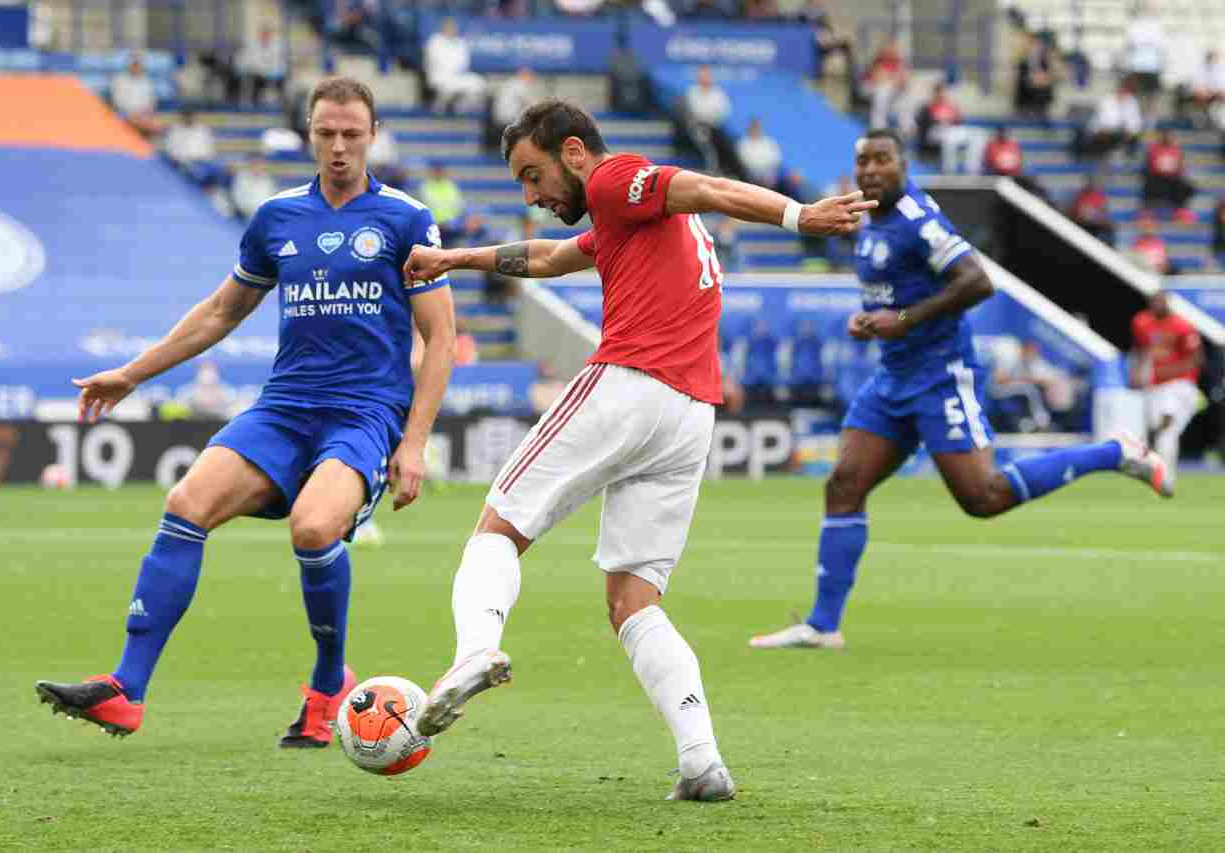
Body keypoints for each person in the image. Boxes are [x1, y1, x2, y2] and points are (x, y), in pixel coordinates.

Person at [399, 98, 873, 801]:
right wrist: (452, 258)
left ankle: (474, 651)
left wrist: (798, 216)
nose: (531, 196)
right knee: (633, 599)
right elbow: (551, 256)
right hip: (689, 416)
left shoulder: (614, 178)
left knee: (497, 527)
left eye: (534, 176)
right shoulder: (628, 219)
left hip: (630, 382)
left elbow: (704, 185)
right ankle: (701, 760)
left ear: (573, 152)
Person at [33, 77, 457, 748]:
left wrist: (414, 441)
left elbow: (440, 339)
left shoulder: (405, 219)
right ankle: (127, 689)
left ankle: (327, 686)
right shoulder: (277, 218)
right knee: (186, 499)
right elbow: (220, 312)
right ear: (309, 134)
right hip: (284, 407)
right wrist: (132, 373)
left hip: (364, 413)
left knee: (314, 527)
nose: (340, 147)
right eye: (326, 134)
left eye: (352, 134)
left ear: (372, 136)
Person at [748, 128, 1173, 652]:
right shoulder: (869, 220)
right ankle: (822, 624)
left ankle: (1113, 452)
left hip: (941, 375)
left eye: (883, 160)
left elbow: (977, 281)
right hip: (893, 378)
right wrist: (875, 322)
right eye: (863, 162)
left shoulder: (917, 221)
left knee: (983, 497)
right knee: (843, 483)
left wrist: (903, 319)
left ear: (904, 165)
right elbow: (892, 294)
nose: (871, 171)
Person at [1131, 292, 1203, 486]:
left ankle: (1166, 477)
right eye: (1153, 302)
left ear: (1168, 303)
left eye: (1160, 301)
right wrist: (1137, 372)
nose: (1156, 305)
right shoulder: (1142, 322)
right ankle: (1155, 470)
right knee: (1156, 429)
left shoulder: (1182, 326)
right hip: (1155, 387)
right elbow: (1141, 349)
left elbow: (1196, 359)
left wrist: (1166, 371)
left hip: (1178, 385)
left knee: (1167, 429)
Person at [423, 17, 486, 114]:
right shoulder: (434, 41)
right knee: (447, 86)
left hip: (457, 75)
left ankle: (461, 106)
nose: (451, 30)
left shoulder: (460, 43)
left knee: (477, 82)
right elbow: (436, 62)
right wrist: (452, 69)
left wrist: (456, 70)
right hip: (439, 76)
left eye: (453, 28)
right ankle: (439, 105)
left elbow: (464, 63)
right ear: (443, 28)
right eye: (448, 27)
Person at [1142, 129, 1196, 221]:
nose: (1168, 138)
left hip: (1172, 179)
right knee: (1148, 185)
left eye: (1170, 137)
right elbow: (1149, 166)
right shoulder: (1153, 149)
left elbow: (1180, 168)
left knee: (1187, 188)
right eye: (1166, 136)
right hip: (1156, 179)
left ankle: (1180, 211)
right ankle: (1147, 212)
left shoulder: (1177, 150)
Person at [110, 55, 161, 139]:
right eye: (134, 65)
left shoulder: (147, 81)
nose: (136, 67)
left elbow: (151, 101)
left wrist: (145, 112)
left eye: (139, 65)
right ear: (129, 65)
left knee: (157, 126)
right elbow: (118, 102)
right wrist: (134, 114)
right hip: (125, 114)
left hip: (143, 115)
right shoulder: (119, 80)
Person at [1015, 32, 1055, 118]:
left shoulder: (1044, 63)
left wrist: (1041, 79)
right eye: (1035, 45)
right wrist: (1039, 79)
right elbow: (1027, 81)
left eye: (1039, 45)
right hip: (1026, 101)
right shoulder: (1023, 64)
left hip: (1041, 101)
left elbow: (1049, 79)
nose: (1037, 48)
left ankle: (1041, 111)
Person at [1068, 174, 1116, 245]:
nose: (1092, 186)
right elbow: (1078, 213)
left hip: (1095, 223)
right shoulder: (1080, 196)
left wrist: (1101, 218)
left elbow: (1103, 212)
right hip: (1083, 223)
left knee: (1110, 228)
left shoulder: (1099, 196)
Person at [737, 118, 784, 190]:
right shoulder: (743, 144)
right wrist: (759, 174)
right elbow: (745, 162)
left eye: (757, 127)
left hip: (770, 175)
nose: (755, 130)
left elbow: (776, 160)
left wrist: (768, 174)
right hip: (751, 176)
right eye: (753, 127)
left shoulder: (768, 142)